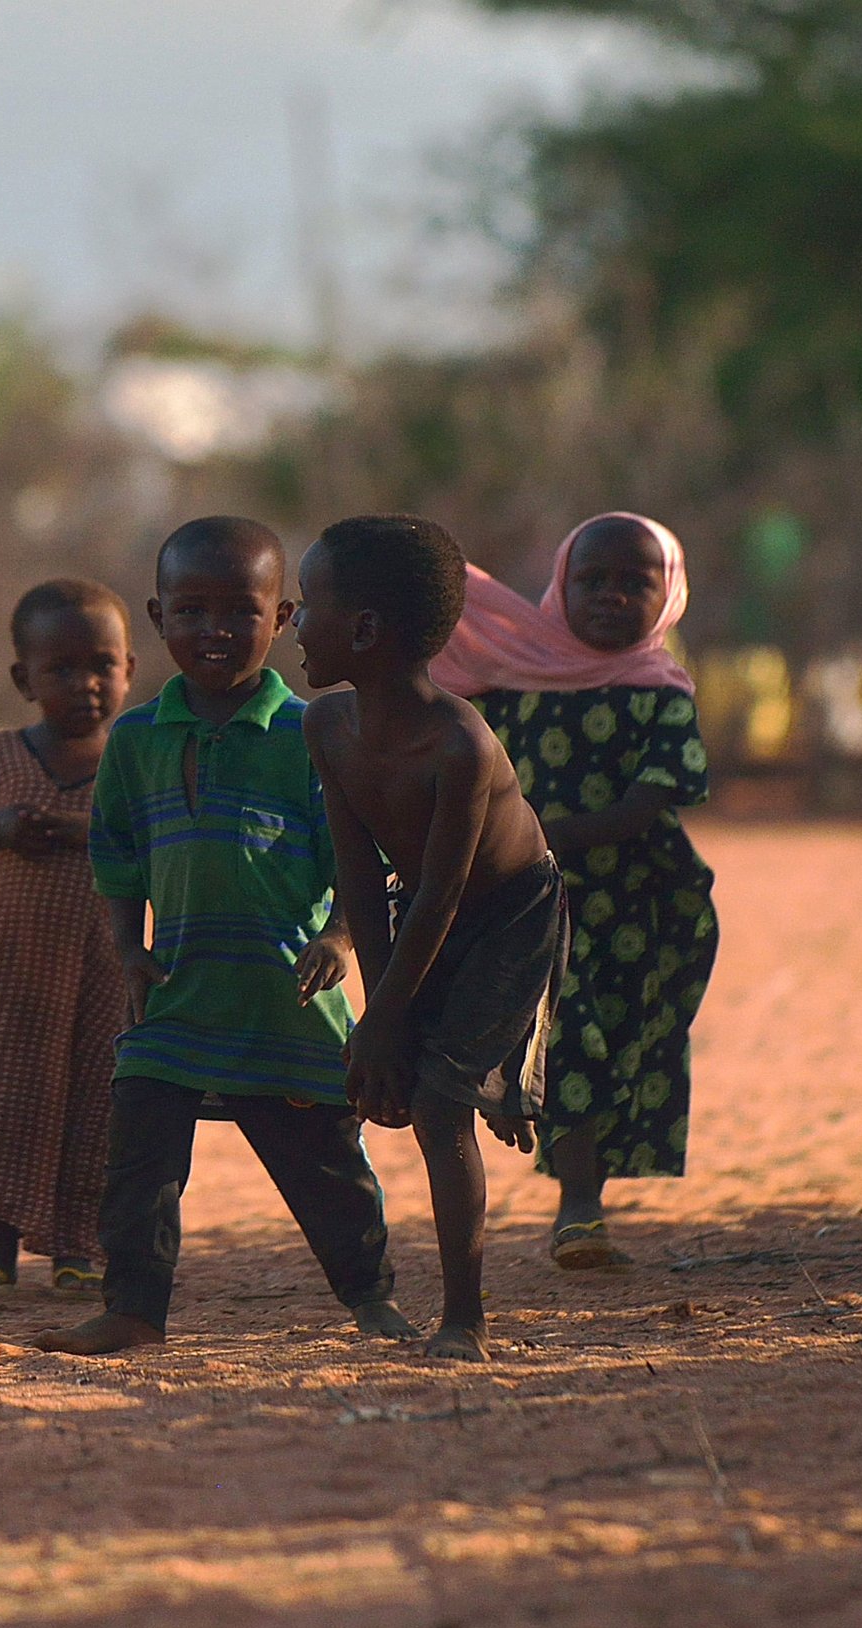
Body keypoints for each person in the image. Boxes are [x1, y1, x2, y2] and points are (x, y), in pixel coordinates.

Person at [38, 516, 416, 1358]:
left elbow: (359, 856)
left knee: (326, 1165)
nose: (213, 631)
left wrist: (343, 939)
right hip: (173, 996)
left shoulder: (313, 734)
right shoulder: (135, 740)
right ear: (157, 614)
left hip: (285, 1001)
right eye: (191, 610)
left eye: (239, 612)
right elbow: (117, 853)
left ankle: (371, 1299)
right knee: (140, 1163)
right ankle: (132, 1309)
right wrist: (124, 946)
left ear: (282, 619)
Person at [296, 515, 564, 1361]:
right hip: (417, 904)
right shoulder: (327, 727)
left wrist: (389, 1023)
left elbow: (448, 894)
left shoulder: (461, 744)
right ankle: (484, 1070)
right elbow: (360, 878)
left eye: (307, 606)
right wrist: (382, 1021)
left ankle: (465, 1321)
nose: (294, 624)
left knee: (441, 1104)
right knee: (409, 1071)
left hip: (512, 912)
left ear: (365, 630)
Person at [431, 513, 718, 1270]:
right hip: (531, 902)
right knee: (569, 1036)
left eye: (634, 582)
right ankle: (579, 1211)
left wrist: (528, 838)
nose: (611, 596)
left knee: (620, 1042)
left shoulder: (662, 693)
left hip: (640, 906)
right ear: (561, 583)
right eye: (593, 580)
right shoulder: (513, 678)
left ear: (669, 593)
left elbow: (645, 808)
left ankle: (579, 1195)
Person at [0, 578, 136, 1295]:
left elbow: (158, 847)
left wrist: (88, 834)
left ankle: (77, 1249)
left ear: (129, 670)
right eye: (61, 669)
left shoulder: (133, 761)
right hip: (3, 969)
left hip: (104, 968)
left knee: (94, 1099)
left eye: (102, 665)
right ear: (24, 678)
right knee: (0, 1098)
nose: (85, 684)